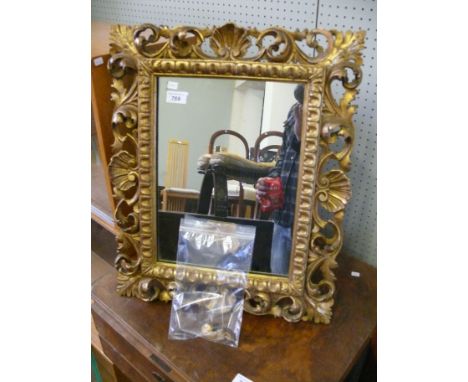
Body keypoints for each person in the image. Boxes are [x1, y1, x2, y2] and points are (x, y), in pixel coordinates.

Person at [255, 85, 304, 275]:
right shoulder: (294, 110)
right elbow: (283, 158)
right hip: (282, 216)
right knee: (278, 279)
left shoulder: (329, 116)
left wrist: (303, 137)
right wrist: (268, 181)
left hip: (308, 224)